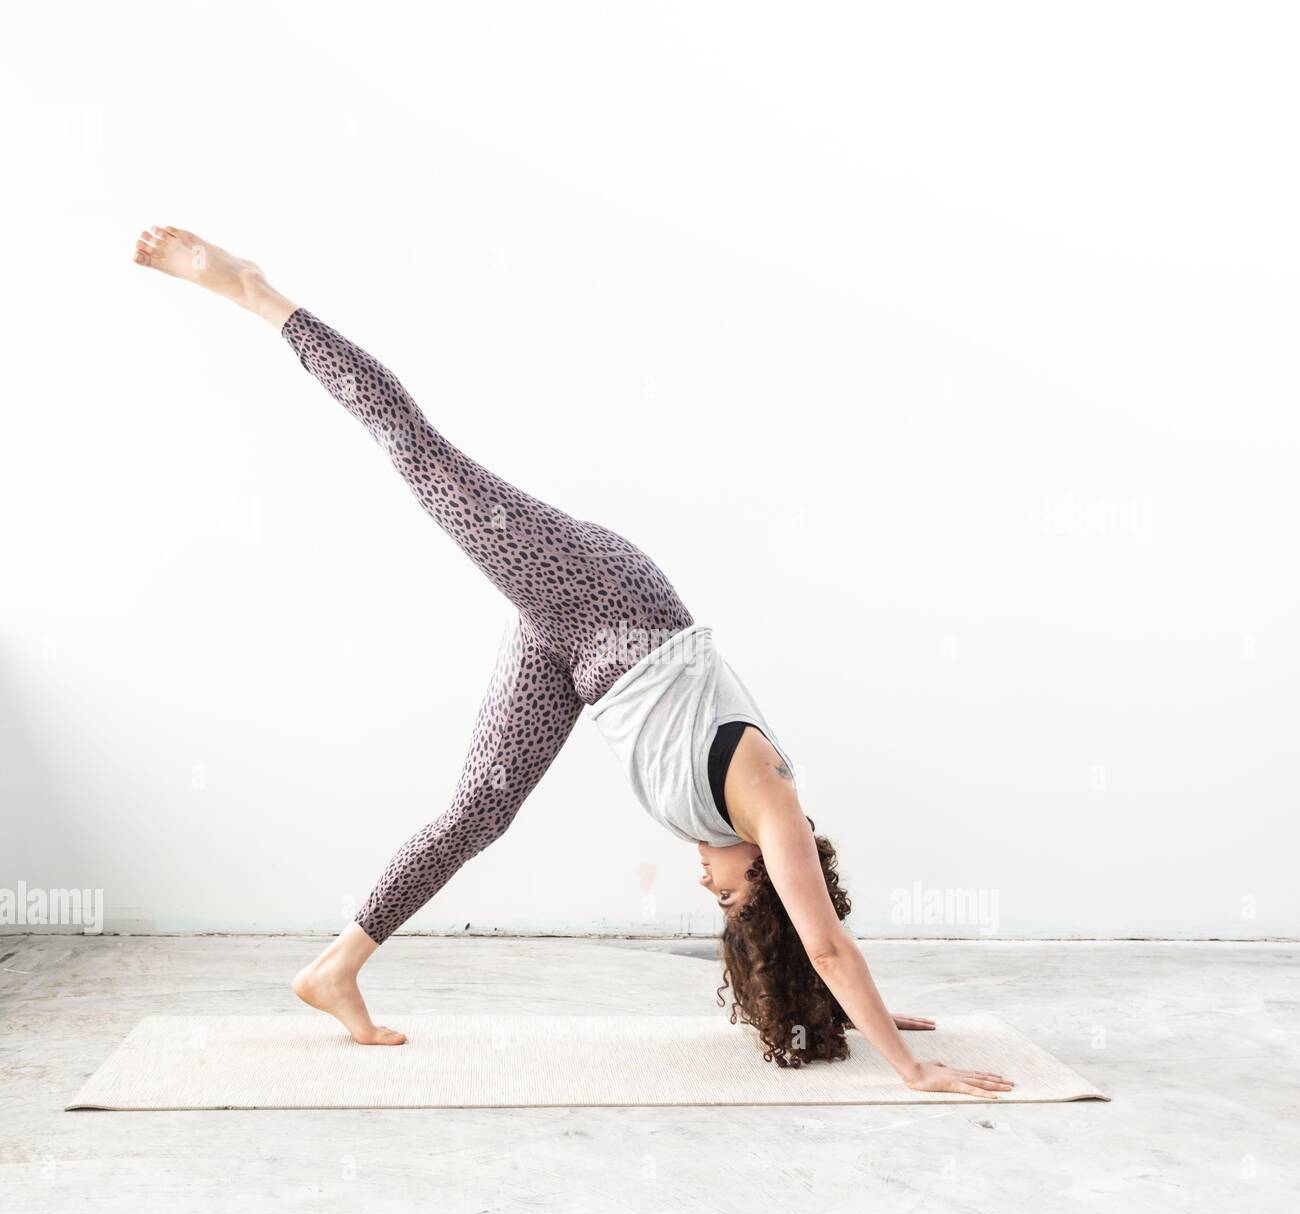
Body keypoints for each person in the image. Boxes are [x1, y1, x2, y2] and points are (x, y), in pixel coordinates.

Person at [132, 224, 1014, 1099]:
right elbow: (822, 939)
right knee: (419, 452)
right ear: (771, 875)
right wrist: (912, 1068)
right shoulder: (768, 804)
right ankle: (254, 290)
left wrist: (856, 1010)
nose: (707, 884)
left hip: (579, 659)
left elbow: (815, 948)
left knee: (481, 810)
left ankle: (335, 967)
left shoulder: (735, 833)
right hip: (603, 599)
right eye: (732, 897)